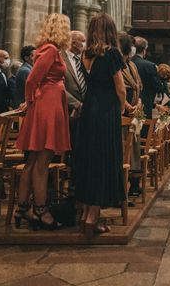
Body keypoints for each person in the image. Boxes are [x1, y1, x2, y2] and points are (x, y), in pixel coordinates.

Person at [15, 13, 71, 230]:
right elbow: (32, 79)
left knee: (32, 160)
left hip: (47, 103)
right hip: (47, 105)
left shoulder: (48, 48)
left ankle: (23, 207)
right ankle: (40, 209)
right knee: (42, 162)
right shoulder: (51, 49)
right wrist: (31, 102)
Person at [74, 13, 126, 238]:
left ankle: (85, 213)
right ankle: (93, 218)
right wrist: (122, 108)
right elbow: (120, 87)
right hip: (105, 110)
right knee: (103, 160)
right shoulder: (111, 53)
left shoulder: (85, 54)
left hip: (88, 109)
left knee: (88, 159)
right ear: (110, 30)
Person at [59, 30, 87, 192]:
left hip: (84, 113)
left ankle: (76, 185)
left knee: (79, 151)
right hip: (66, 111)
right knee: (66, 152)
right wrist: (76, 103)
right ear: (73, 42)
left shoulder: (83, 60)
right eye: (81, 41)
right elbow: (59, 86)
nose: (84, 44)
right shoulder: (60, 58)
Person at [119, 32, 143, 197]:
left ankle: (134, 185)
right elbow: (118, 89)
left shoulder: (131, 65)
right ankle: (121, 188)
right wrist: (127, 106)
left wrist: (139, 102)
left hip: (133, 113)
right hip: (122, 114)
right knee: (123, 151)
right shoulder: (117, 64)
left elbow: (138, 85)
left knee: (133, 150)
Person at [131, 36, 161, 118]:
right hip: (145, 104)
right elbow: (157, 87)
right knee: (144, 129)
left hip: (129, 103)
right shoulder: (150, 66)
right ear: (144, 50)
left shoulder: (127, 62)